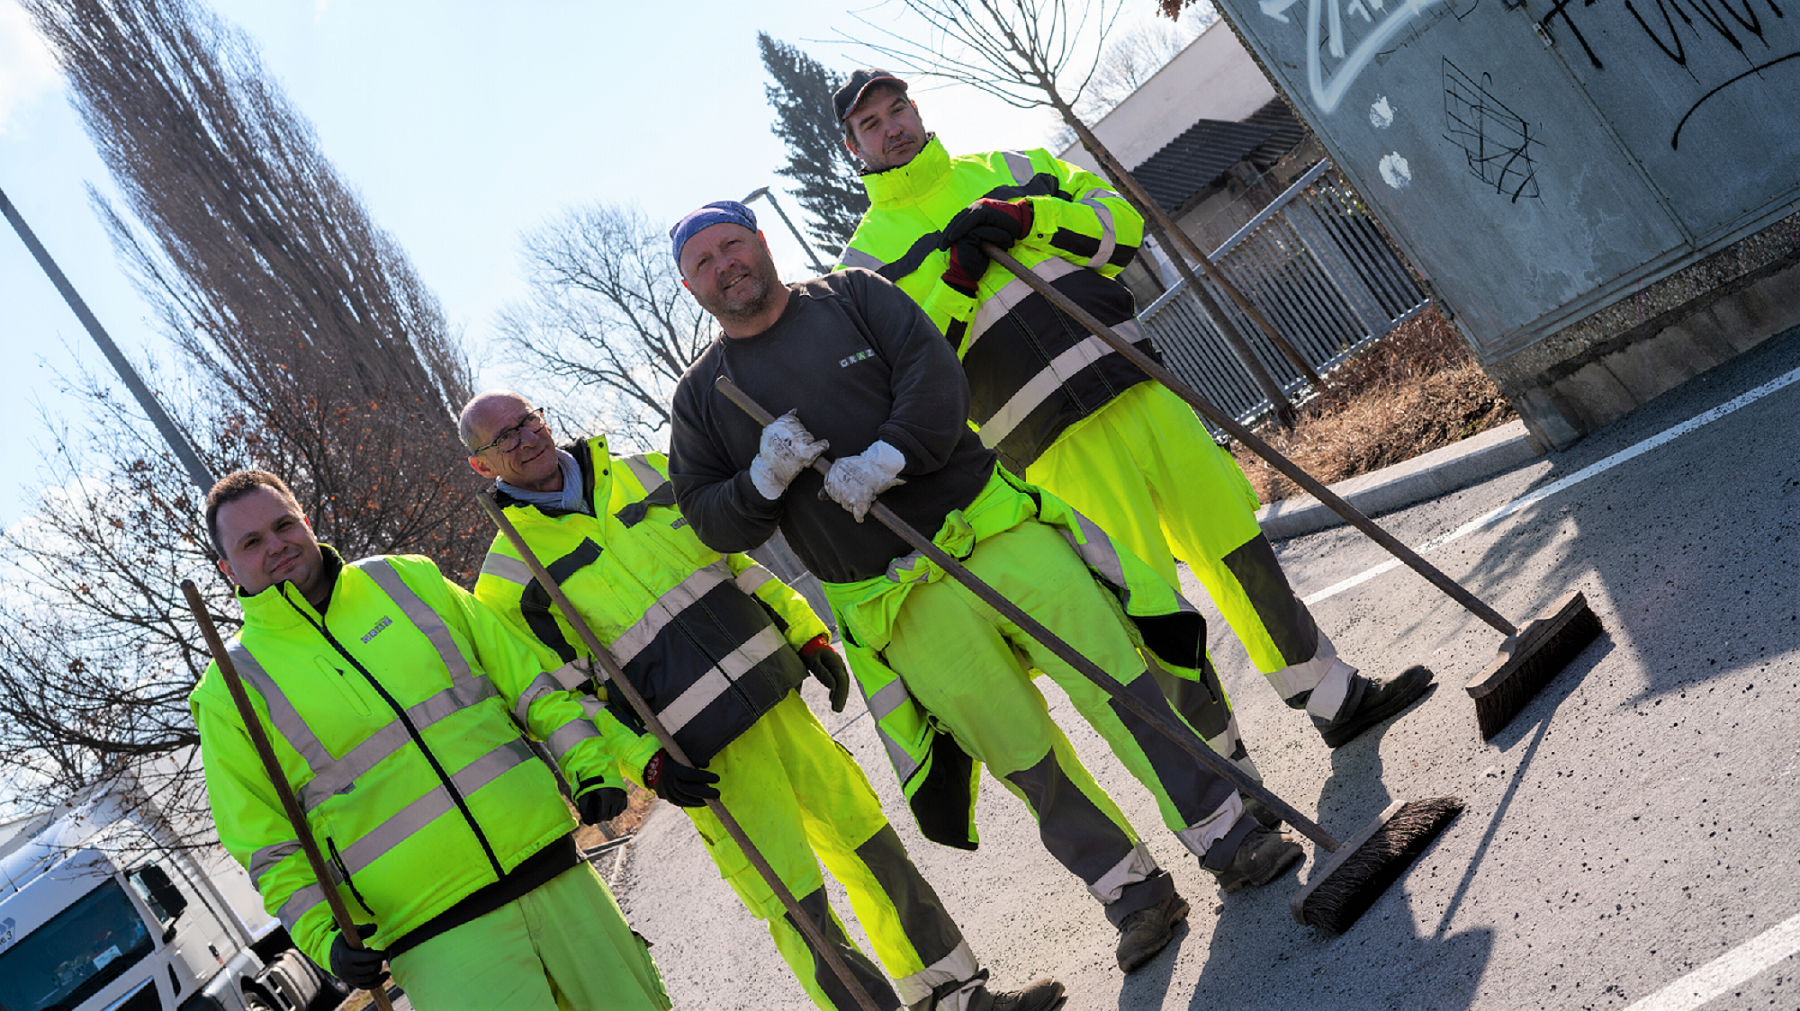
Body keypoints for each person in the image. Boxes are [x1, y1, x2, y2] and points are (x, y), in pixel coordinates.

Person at [665, 200, 1305, 976]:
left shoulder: (853, 296)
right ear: (691, 286)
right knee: (1021, 752)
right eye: (702, 263)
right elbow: (707, 518)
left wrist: (890, 456)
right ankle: (1132, 893)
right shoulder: (703, 398)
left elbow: (933, 375)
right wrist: (760, 478)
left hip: (989, 527)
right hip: (894, 599)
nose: (723, 265)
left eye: (731, 244)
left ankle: (1231, 836)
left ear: (760, 243)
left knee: (1119, 682)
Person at [832, 69, 1433, 749]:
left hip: (1138, 383)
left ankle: (1330, 693)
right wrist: (957, 281)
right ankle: (1226, 769)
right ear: (853, 147)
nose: (892, 127)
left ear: (915, 108)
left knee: (1236, 544)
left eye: (897, 108)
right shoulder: (864, 268)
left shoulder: (1012, 168)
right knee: (1145, 604)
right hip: (1050, 447)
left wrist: (1034, 218)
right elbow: (915, 379)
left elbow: (1123, 231)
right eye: (871, 124)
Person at [460, 390, 1064, 1011]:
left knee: (873, 850)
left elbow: (733, 564)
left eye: (528, 420)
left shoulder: (644, 473)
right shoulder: (508, 579)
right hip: (700, 757)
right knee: (798, 906)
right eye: (502, 438)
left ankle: (956, 996)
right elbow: (568, 697)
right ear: (482, 466)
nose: (526, 438)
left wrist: (804, 633)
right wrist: (643, 761)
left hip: (775, 699)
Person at [189, 470, 671, 1011]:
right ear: (228, 568)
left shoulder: (407, 581)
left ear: (304, 519)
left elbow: (528, 681)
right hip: (437, 938)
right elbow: (268, 847)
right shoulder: (230, 691)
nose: (275, 545)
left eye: (282, 525)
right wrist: (325, 938)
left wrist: (591, 764)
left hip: (555, 872)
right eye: (251, 542)